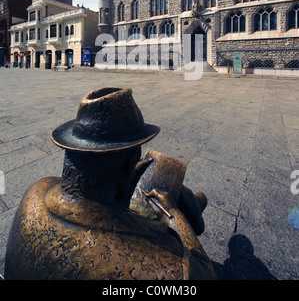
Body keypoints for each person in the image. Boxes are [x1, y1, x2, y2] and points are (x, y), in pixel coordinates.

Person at [5, 87, 216, 280]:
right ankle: (192, 209)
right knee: (162, 175)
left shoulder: (37, 190)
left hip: (105, 197)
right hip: (131, 218)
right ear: (127, 168)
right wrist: (173, 214)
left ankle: (194, 205)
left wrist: (122, 183)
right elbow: (205, 273)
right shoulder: (166, 268)